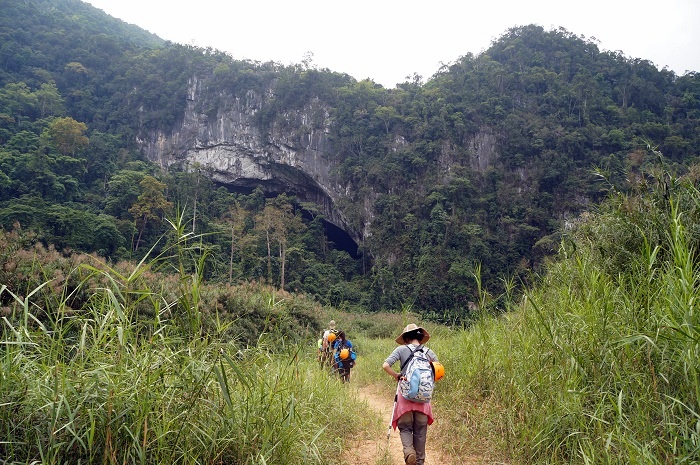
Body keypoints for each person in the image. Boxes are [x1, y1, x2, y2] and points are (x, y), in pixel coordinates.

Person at [382, 323, 438, 465]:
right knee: (420, 431)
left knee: (405, 428)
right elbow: (438, 372)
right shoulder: (428, 352)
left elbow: (386, 365)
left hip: (405, 397)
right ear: (420, 337)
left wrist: (396, 375)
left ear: (405, 337)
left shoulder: (401, 349)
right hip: (423, 399)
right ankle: (419, 461)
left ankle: (408, 452)